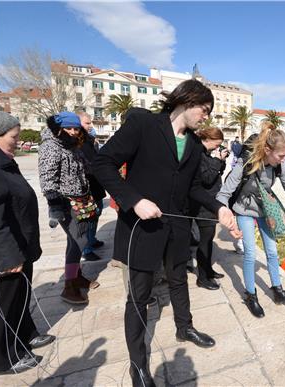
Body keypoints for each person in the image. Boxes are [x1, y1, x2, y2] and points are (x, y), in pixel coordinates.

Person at [93, 79, 241, 387]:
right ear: (187, 101)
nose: (206, 117)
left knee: (179, 281)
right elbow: (102, 163)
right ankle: (139, 366)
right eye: (205, 109)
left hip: (175, 229)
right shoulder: (144, 125)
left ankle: (184, 327)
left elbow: (194, 188)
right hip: (141, 229)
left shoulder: (194, 144)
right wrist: (133, 200)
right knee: (139, 297)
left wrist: (219, 208)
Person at [217, 122, 285, 318]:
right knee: (250, 253)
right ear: (267, 150)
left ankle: (277, 290)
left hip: (265, 210)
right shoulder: (246, 162)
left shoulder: (278, 165)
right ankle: (251, 296)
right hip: (244, 210)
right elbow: (225, 192)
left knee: (272, 252)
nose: (284, 160)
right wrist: (223, 211)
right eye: (281, 156)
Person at [0, 112, 56, 375]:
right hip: (4, 254)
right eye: (14, 137)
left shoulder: (2, 160)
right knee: (1, 308)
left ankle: (25, 335)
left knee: (19, 298)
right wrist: (7, 256)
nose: (18, 141)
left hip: (20, 245)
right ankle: (1, 360)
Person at [39, 112, 101, 304]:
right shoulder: (51, 146)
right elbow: (47, 178)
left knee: (74, 241)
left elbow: (87, 167)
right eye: (69, 128)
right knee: (78, 242)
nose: (73, 132)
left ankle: (76, 276)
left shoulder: (72, 145)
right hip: (66, 202)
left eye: (76, 128)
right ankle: (69, 286)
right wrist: (54, 205)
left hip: (81, 198)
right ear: (59, 128)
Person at [190, 126, 229, 291]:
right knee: (205, 241)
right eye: (217, 144)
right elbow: (206, 178)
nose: (217, 147)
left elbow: (216, 173)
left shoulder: (205, 154)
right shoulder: (198, 154)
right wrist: (217, 160)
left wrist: (221, 160)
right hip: (202, 205)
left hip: (208, 202)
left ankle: (208, 270)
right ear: (208, 139)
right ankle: (202, 277)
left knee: (209, 239)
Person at [77, 111, 106, 261]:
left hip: (96, 184)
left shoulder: (90, 140)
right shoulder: (75, 142)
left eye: (90, 123)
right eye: (87, 123)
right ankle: (86, 248)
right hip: (86, 186)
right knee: (89, 217)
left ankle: (92, 240)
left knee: (97, 213)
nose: (90, 125)